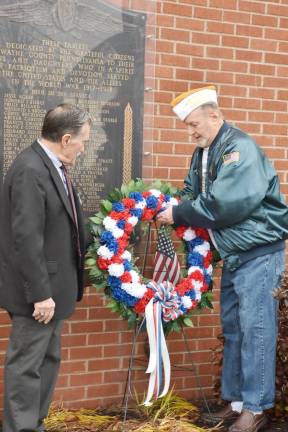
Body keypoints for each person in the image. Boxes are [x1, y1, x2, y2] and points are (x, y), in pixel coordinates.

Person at [157, 85, 288, 432]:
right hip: (235, 254)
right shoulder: (204, 150)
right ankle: (235, 402)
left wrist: (179, 213)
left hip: (258, 253)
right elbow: (191, 192)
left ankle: (256, 408)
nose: (191, 131)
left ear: (215, 116)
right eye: (187, 125)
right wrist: (170, 205)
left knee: (256, 329)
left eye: (195, 124)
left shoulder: (238, 149)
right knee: (233, 329)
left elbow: (224, 204)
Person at [0, 103, 92, 432]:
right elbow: (25, 238)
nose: (85, 147)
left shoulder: (50, 165)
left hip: (55, 291)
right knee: (26, 366)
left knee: (48, 361)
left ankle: (34, 424)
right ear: (66, 139)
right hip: (38, 295)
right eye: (83, 140)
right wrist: (40, 294)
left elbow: (61, 225)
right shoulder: (30, 169)